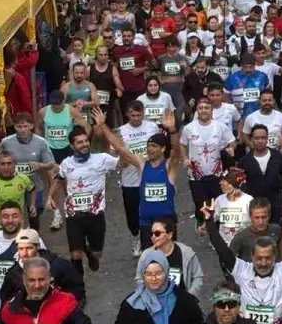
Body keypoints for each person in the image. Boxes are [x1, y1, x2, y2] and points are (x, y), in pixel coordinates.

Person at [48, 117, 123, 276]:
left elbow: (122, 164)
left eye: (85, 141)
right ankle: (78, 289)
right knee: (75, 254)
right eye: (79, 142)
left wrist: (120, 148)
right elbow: (58, 177)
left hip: (95, 216)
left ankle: (91, 252)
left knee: (97, 253)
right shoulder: (67, 163)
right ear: (72, 146)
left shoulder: (101, 159)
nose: (84, 144)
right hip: (74, 216)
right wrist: (50, 197)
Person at [180, 97, 237, 228]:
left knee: (217, 203)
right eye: (201, 108)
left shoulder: (220, 127)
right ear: (197, 111)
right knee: (200, 204)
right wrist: (185, 159)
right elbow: (182, 144)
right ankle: (201, 222)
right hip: (195, 175)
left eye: (207, 108)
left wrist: (230, 149)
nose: (204, 110)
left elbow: (232, 141)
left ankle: (216, 230)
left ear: (211, 110)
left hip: (216, 174)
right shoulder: (189, 128)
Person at [115, 100, 163, 252]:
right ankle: (136, 237)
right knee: (132, 214)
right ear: (127, 114)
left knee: (153, 211)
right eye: (133, 115)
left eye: (139, 115)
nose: (136, 118)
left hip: (149, 177)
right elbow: (116, 155)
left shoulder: (152, 127)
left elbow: (161, 148)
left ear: (143, 113)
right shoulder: (121, 131)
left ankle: (153, 240)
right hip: (129, 180)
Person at [0, 116, 57, 231]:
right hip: (13, 185)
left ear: (31, 126)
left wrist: (40, 165)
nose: (22, 129)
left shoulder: (41, 142)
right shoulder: (6, 142)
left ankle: (34, 237)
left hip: (35, 185)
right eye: (19, 126)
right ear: (15, 127)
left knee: (35, 213)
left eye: (25, 126)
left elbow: (51, 164)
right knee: (13, 213)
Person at [238, 125, 282, 227]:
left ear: (267, 139)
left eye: (263, 138)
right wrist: (248, 192)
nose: (260, 141)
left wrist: (277, 186)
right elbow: (238, 180)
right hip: (254, 207)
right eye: (257, 138)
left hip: (275, 205)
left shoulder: (277, 156)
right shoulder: (244, 161)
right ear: (251, 139)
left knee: (276, 233)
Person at [139, 216, 204, 292]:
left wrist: (190, 298)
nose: (153, 237)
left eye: (157, 233)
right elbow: (140, 281)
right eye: (151, 233)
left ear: (170, 235)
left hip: (182, 301)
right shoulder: (146, 255)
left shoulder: (187, 253)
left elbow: (197, 277)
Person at [0, 152, 35, 232]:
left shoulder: (23, 179)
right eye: (2, 164)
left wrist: (32, 205)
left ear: (14, 164)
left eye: (9, 163)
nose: (6, 167)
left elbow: (32, 189)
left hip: (17, 226)